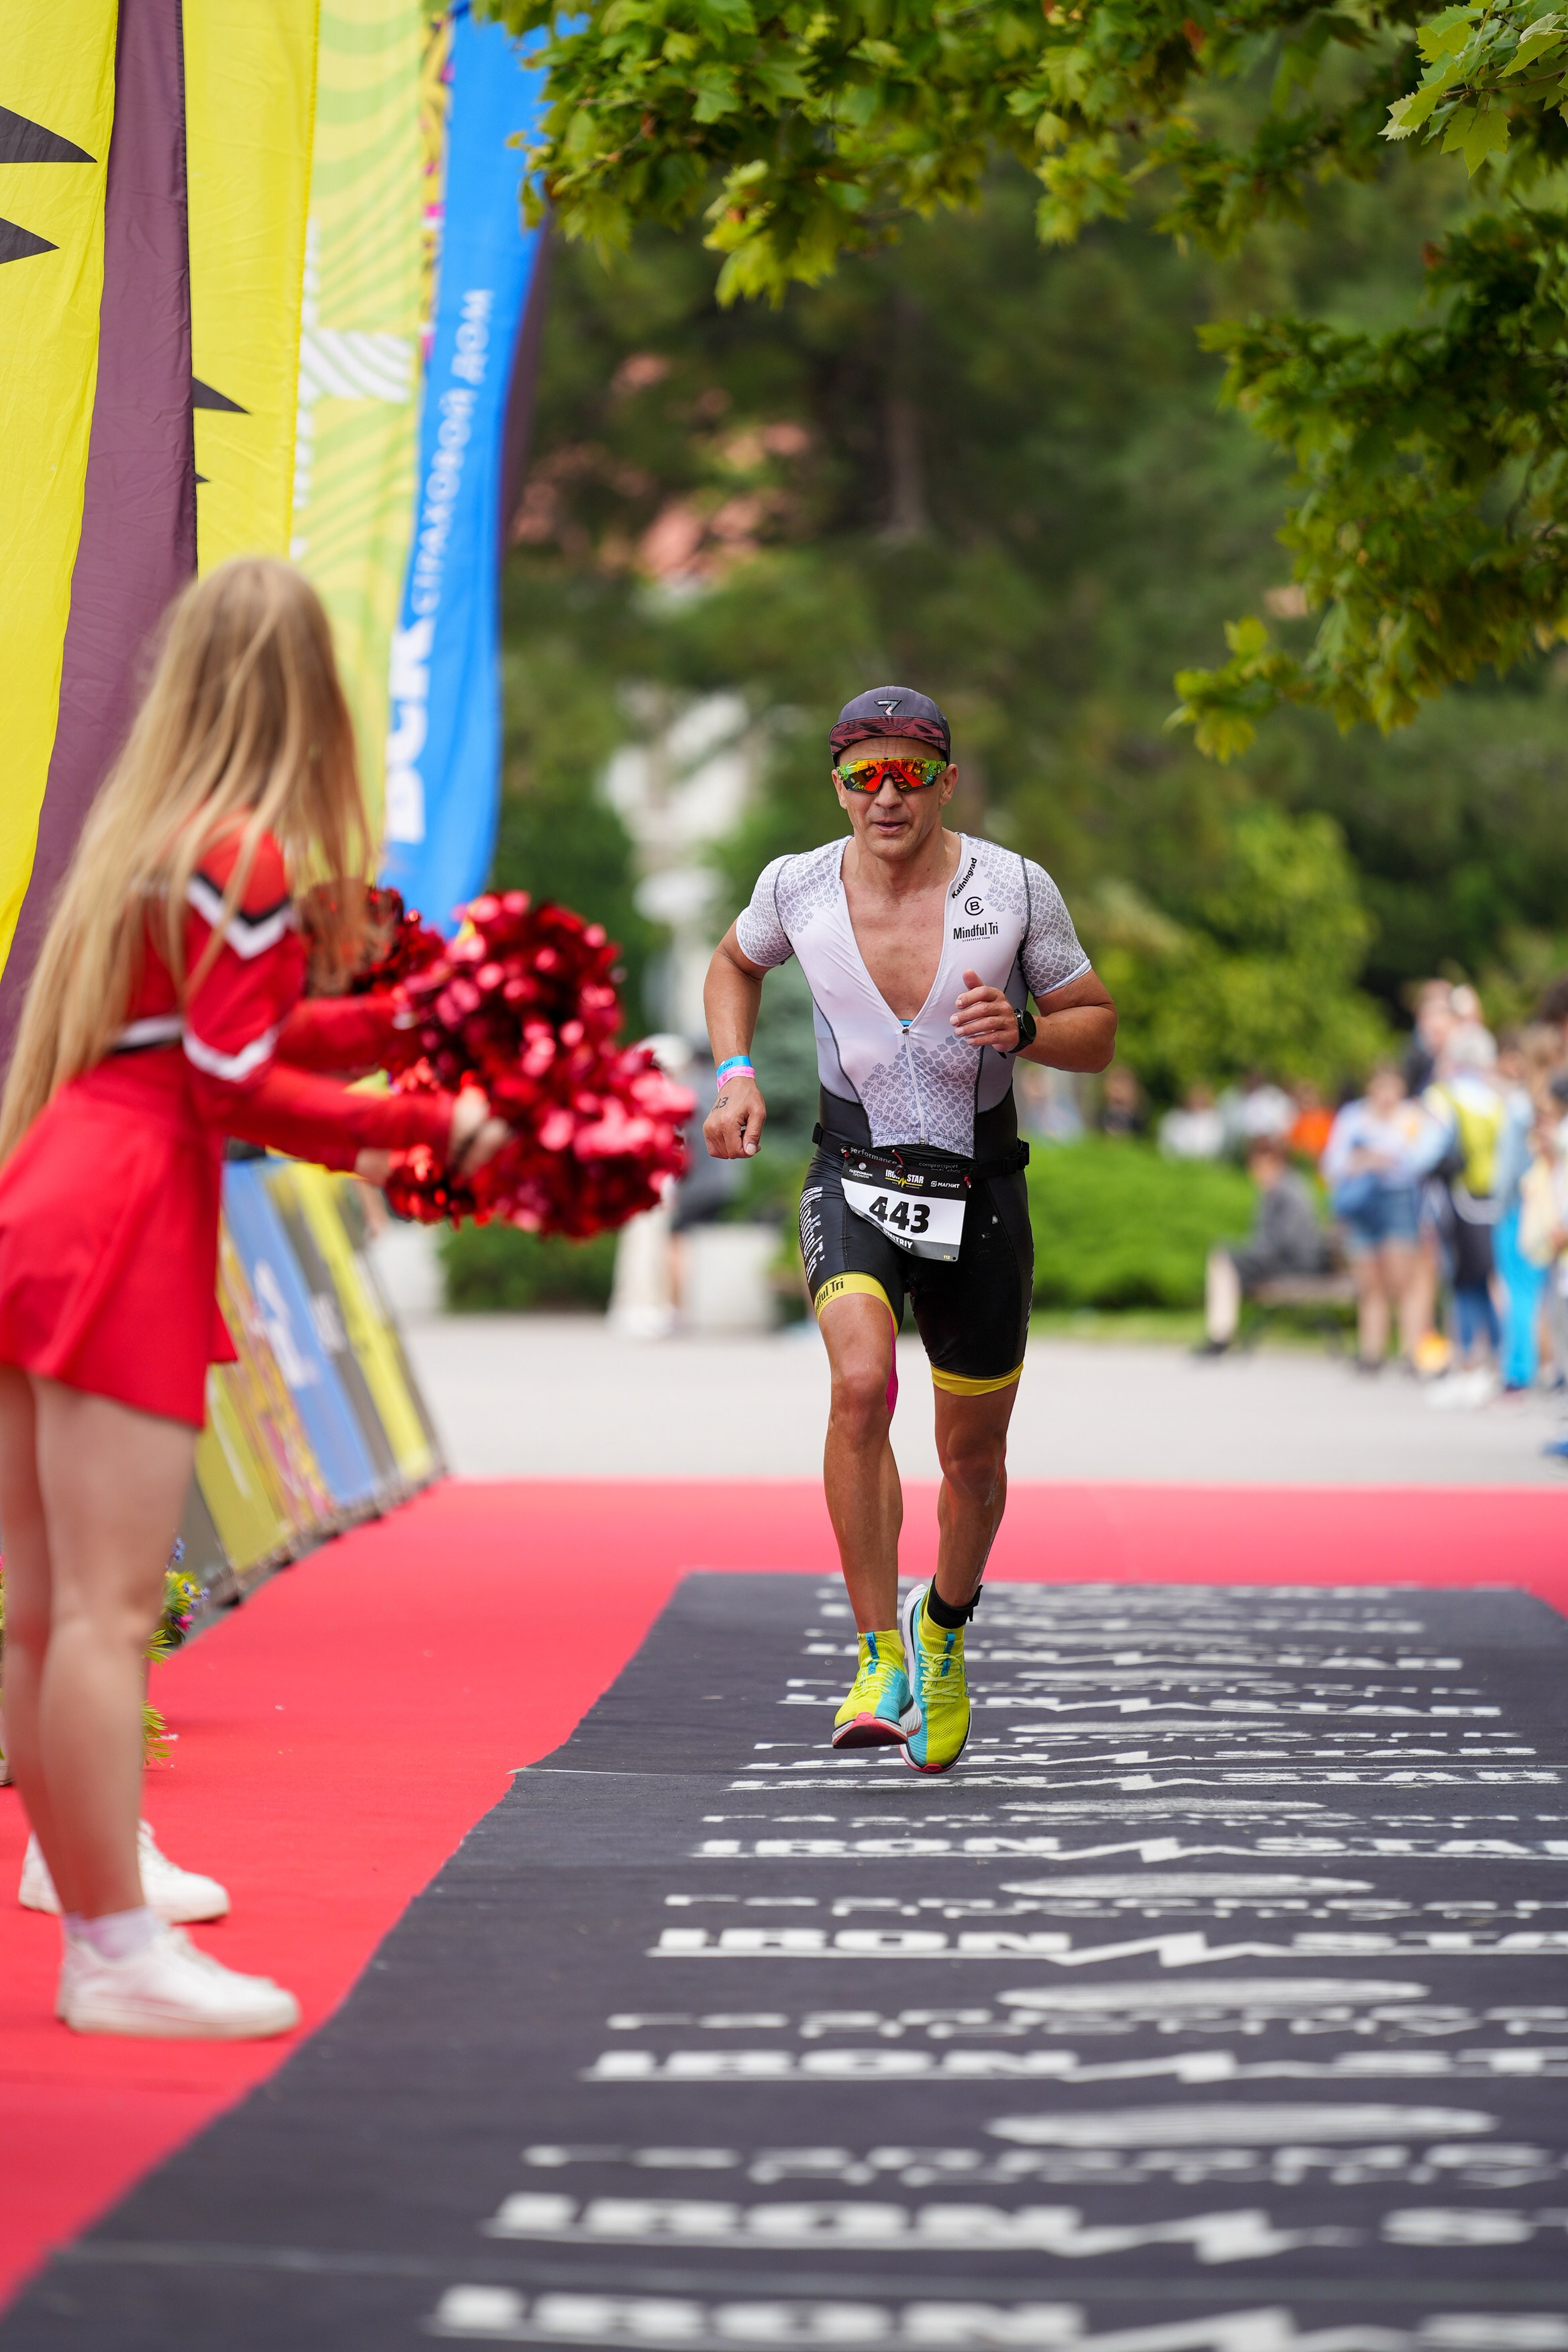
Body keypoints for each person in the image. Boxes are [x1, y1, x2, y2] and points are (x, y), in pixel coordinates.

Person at [0, 559, 506, 2038]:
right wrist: (431, 1121)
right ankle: (108, 1947)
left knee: (45, 1618)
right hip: (122, 1218)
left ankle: (91, 1892)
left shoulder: (142, 842)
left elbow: (222, 1042)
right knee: (97, 1614)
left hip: (45, 1194)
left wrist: (414, 1016)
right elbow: (237, 1087)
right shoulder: (248, 852)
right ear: (308, 692)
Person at [702, 686, 1115, 1774]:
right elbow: (733, 963)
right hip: (853, 1175)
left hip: (981, 1190)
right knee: (855, 1385)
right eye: (863, 774)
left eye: (908, 773)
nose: (885, 795)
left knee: (970, 1461)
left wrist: (1025, 1029)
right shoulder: (793, 885)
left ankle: (944, 1624)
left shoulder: (1015, 885)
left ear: (945, 780)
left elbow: (1099, 1026)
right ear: (835, 784)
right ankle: (876, 1646)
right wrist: (737, 1072)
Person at [1320, 1063, 1445, 1371]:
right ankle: (1371, 1351)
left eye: (1393, 1089)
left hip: (1399, 1199)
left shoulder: (1412, 1117)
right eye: (1381, 1088)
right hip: (1363, 1202)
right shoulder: (1353, 1117)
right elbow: (1332, 1163)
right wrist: (1364, 1160)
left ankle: (1410, 1350)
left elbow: (1422, 1156)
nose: (1387, 1096)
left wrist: (1386, 1157)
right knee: (1370, 1280)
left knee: (1402, 1279)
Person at [1198, 1135, 1334, 1355]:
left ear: (1277, 1162)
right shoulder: (1280, 1188)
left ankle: (1220, 1335)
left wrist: (1250, 1254)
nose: (1257, 1172)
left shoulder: (1287, 1191)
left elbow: (1285, 1242)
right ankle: (1220, 1333)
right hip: (1289, 1260)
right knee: (1224, 1255)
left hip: (1298, 1264)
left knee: (1225, 1257)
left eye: (1262, 1166)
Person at [1159, 1083, 1224, 1162]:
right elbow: (1165, 1143)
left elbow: (1211, 1148)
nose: (1195, 1101)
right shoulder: (1174, 1117)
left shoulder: (1214, 1121)